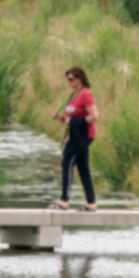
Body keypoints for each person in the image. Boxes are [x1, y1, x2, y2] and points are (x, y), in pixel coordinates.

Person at [50, 67, 99, 212]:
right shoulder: (73, 95)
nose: (68, 82)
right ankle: (91, 203)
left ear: (79, 80)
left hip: (84, 135)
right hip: (75, 134)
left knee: (67, 162)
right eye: (67, 80)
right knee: (83, 168)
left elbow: (95, 116)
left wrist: (75, 122)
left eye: (71, 79)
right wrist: (60, 118)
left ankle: (64, 201)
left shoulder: (85, 95)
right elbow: (69, 119)